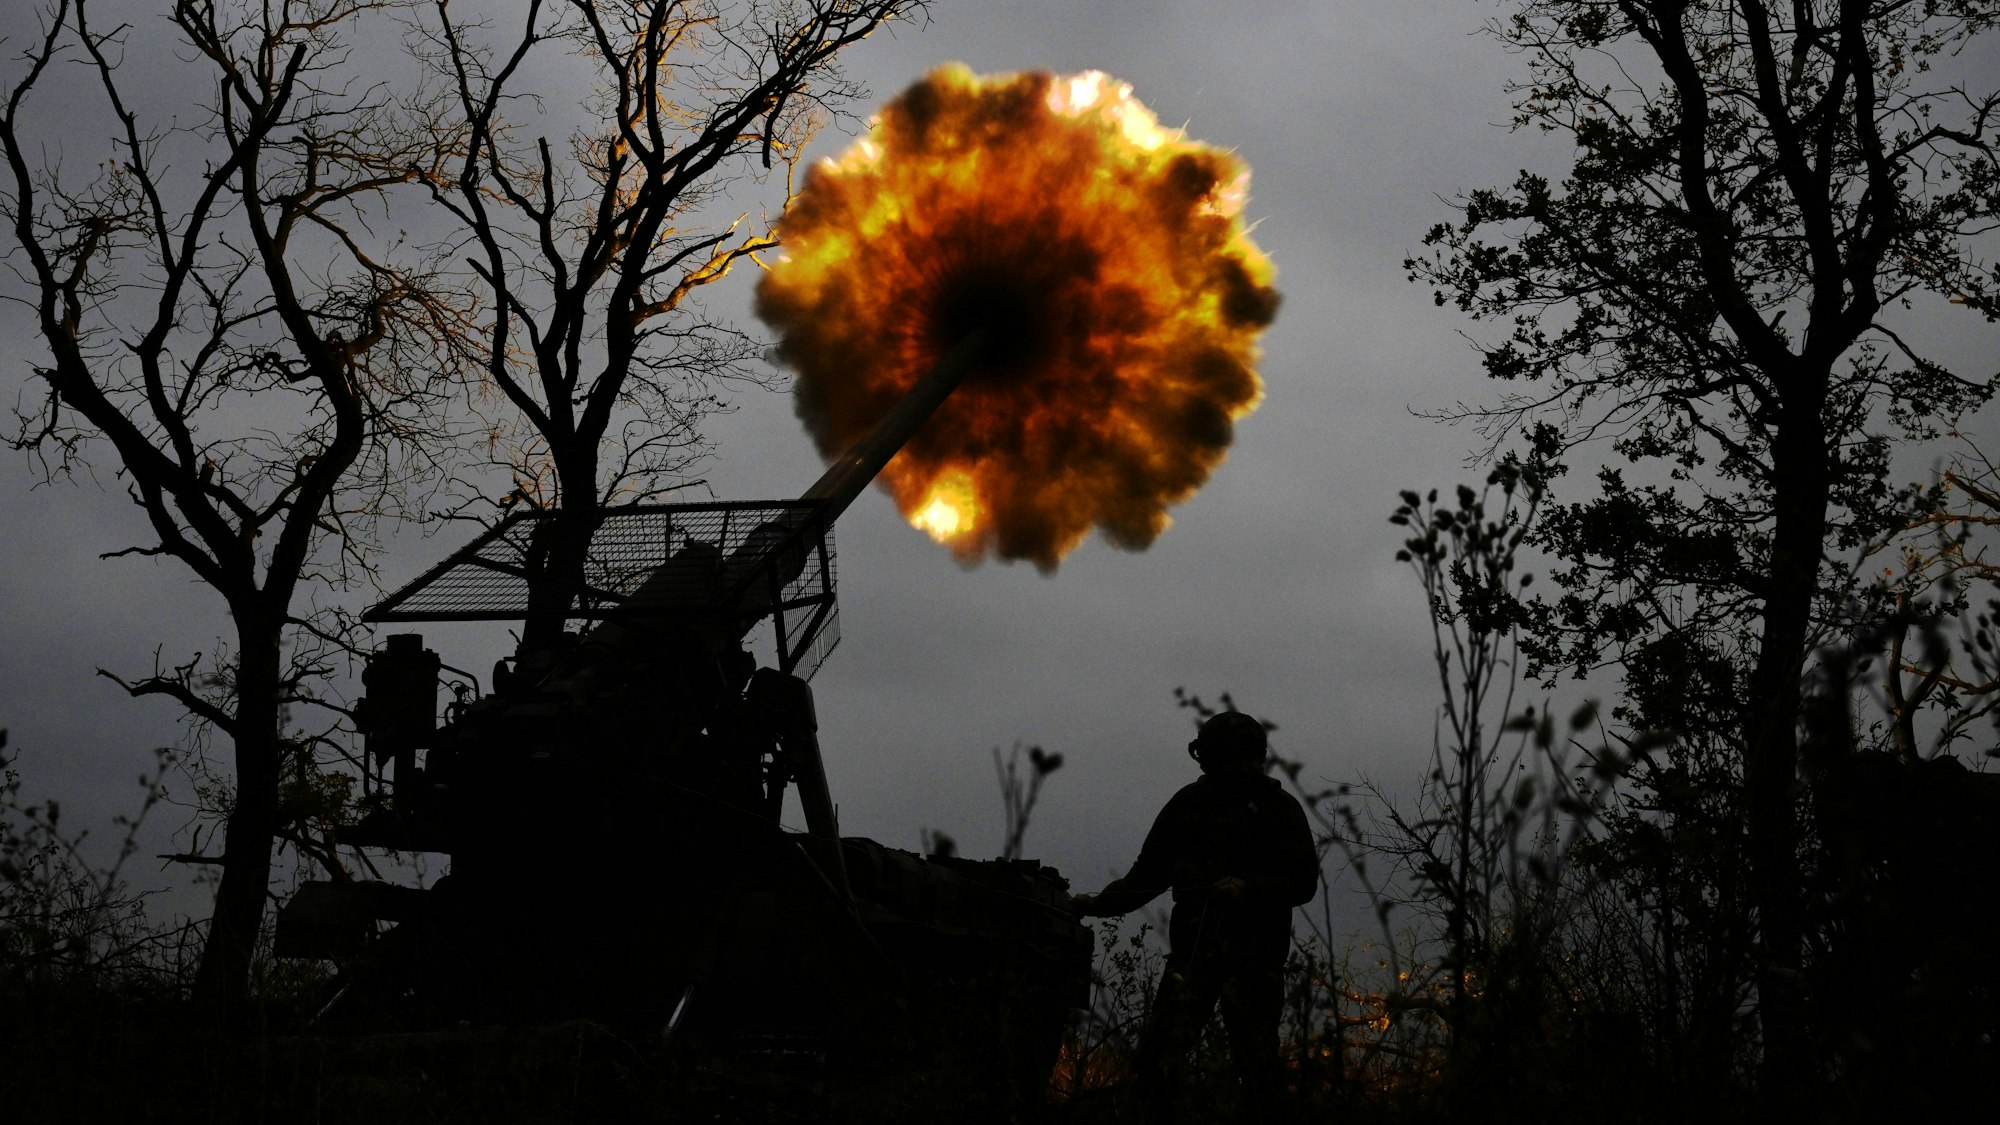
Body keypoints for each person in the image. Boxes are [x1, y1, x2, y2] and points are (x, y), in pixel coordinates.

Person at [1071, 710, 1317, 1124]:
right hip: (1193, 955)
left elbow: (1303, 882)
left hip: (1256, 959)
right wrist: (1098, 905)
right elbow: (1147, 876)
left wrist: (1248, 889)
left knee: (1257, 1065)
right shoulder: (1188, 805)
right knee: (1158, 1058)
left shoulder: (1279, 809)